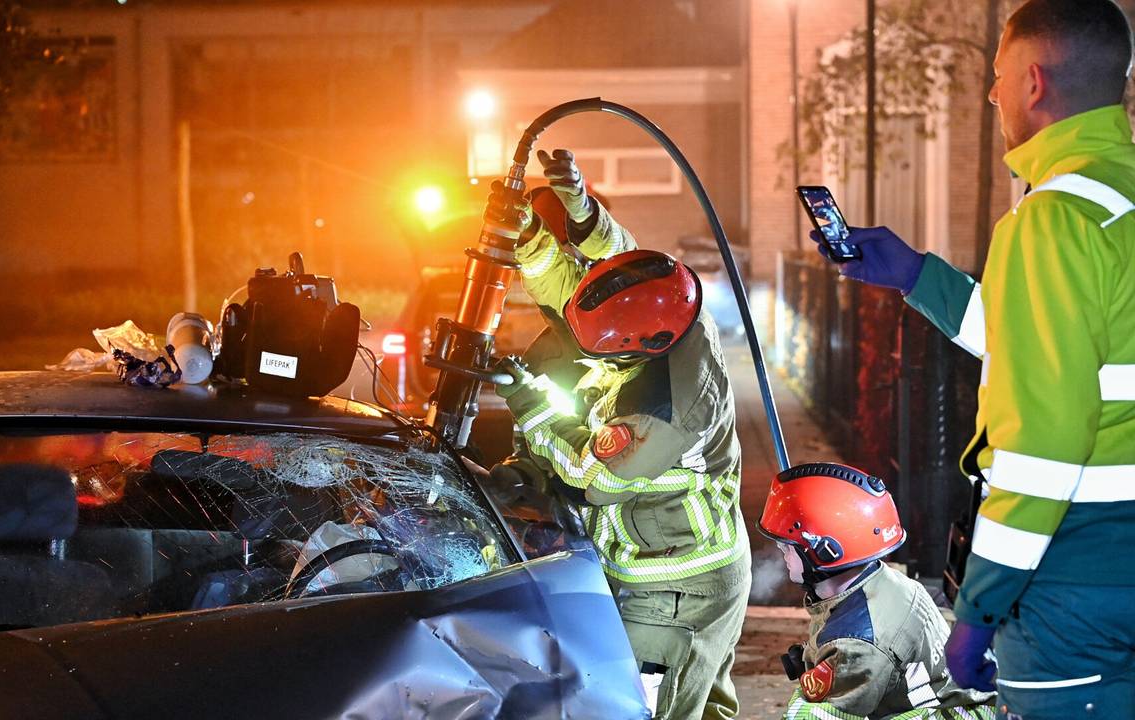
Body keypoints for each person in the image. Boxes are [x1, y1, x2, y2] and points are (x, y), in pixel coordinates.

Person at [808, 1, 1135, 717]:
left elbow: (1041, 450)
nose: (991, 95)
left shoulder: (1051, 221)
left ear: (1035, 82)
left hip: (1077, 581)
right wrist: (916, 274)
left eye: (998, 76)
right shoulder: (1121, 202)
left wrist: (980, 608)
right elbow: (1065, 345)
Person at [484, 148, 751, 720]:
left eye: (599, 357)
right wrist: (559, 223)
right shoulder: (674, 306)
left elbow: (591, 474)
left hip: (673, 596)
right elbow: (622, 265)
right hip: (706, 569)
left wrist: (529, 402)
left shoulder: (663, 416)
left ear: (638, 352)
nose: (587, 361)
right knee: (708, 708)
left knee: (645, 710)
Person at [759, 463, 996, 719]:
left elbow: (819, 716)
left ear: (825, 551)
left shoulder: (857, 641)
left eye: (788, 544)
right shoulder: (883, 581)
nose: (781, 550)